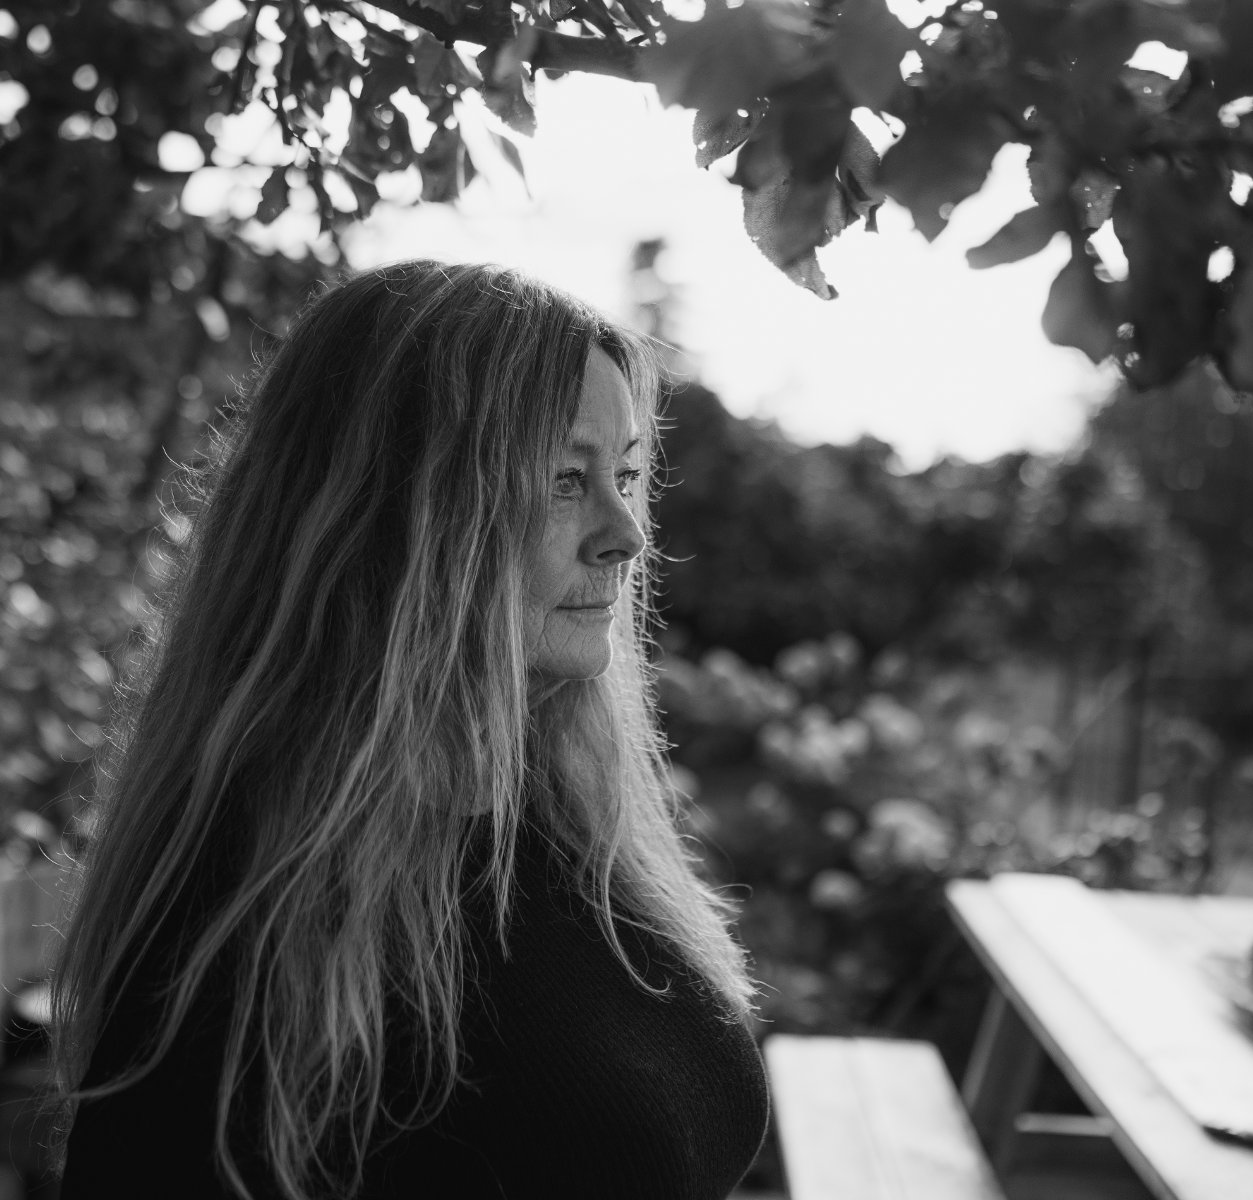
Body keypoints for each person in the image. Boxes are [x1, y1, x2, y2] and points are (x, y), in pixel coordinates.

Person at [50, 260, 770, 1199]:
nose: (625, 533)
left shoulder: (554, 823)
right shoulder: (252, 929)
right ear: (399, 515)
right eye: (563, 479)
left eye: (625, 475)